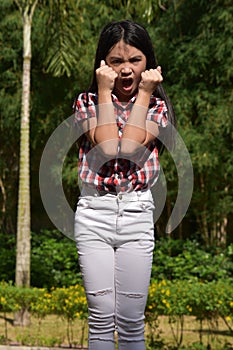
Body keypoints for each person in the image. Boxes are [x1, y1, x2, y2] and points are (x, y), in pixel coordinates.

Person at [73, 20, 176, 350]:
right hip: (94, 215)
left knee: (132, 321)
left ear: (148, 63)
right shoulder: (87, 102)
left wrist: (145, 93)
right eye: (116, 61)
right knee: (100, 320)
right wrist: (104, 90)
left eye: (135, 60)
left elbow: (130, 149)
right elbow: (105, 149)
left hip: (136, 214)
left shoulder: (156, 106)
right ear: (103, 65)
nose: (126, 70)